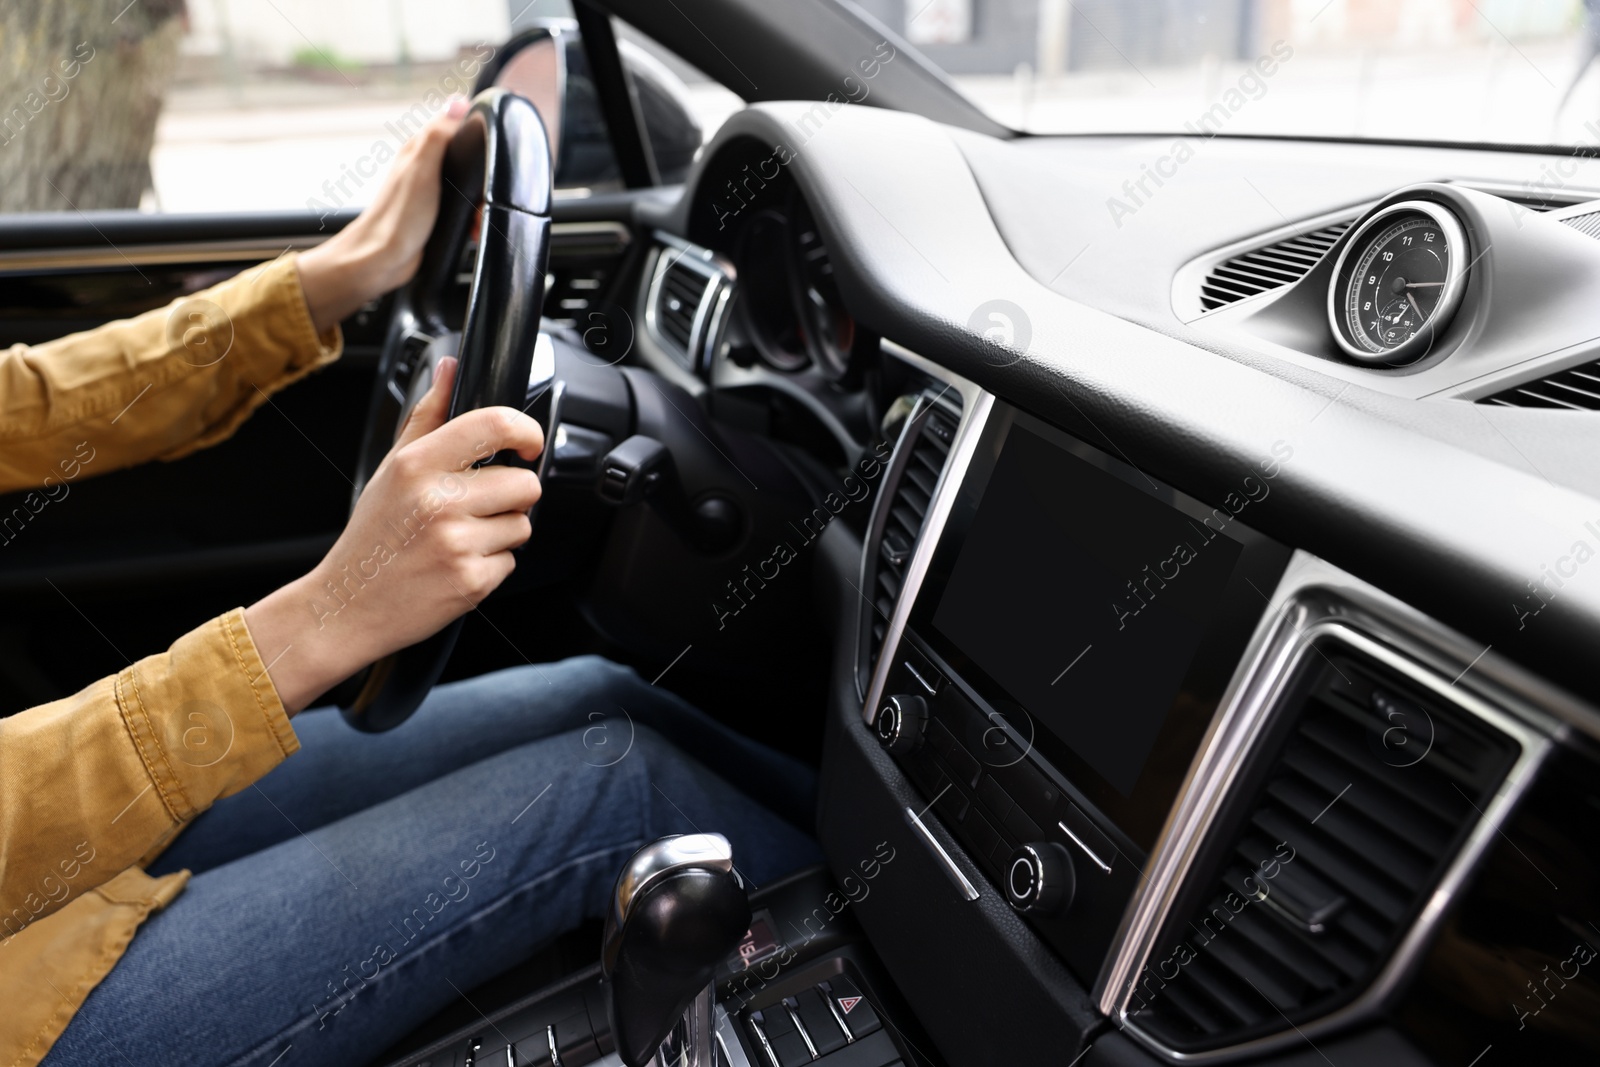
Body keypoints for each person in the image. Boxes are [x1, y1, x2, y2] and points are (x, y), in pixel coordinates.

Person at [0, 98, 820, 1067]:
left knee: (596, 699)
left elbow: (26, 407)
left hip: (53, 855)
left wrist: (340, 275)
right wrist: (316, 621)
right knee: (619, 794)